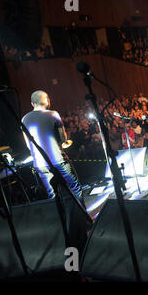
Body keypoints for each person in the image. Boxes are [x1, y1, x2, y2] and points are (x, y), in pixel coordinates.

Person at [22, 90, 89, 251]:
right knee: (74, 188)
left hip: (39, 163)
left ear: (32, 103)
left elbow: (27, 144)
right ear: (48, 101)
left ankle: (61, 227)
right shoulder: (53, 114)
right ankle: (82, 222)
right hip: (58, 160)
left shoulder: (24, 118)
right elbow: (63, 139)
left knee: (52, 195)